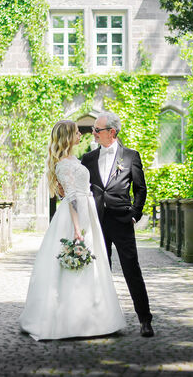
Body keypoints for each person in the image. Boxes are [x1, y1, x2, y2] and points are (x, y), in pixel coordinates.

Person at [18, 120, 126, 341]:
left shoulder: (73, 160)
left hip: (88, 213)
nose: (81, 135)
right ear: (68, 137)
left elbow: (69, 192)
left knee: (91, 263)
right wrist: (77, 228)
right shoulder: (64, 164)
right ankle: (68, 318)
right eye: (77, 132)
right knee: (72, 262)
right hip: (76, 217)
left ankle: (90, 315)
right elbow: (70, 198)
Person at [81, 112, 154, 337]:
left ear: (111, 132)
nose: (93, 133)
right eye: (93, 129)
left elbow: (140, 189)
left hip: (122, 221)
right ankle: (99, 319)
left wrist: (135, 214)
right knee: (98, 270)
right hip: (97, 222)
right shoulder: (88, 158)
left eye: (97, 130)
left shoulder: (131, 157)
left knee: (132, 270)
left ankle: (145, 319)